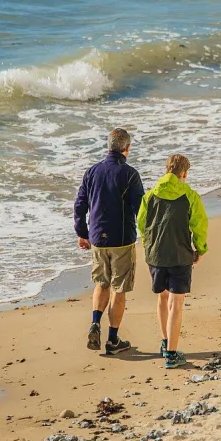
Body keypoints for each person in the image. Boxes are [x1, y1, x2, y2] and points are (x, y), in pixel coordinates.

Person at [74, 128, 145, 355]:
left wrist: (82, 232)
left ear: (109, 146)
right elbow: (140, 209)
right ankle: (113, 339)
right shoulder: (130, 174)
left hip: (97, 238)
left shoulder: (92, 172)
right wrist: (148, 234)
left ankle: (95, 322)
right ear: (127, 148)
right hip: (122, 239)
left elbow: (80, 205)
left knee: (101, 284)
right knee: (119, 288)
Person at [136, 154, 208, 369]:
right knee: (176, 304)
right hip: (180, 255)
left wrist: (150, 246)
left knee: (162, 298)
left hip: (156, 255)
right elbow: (199, 226)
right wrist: (200, 249)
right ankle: (172, 354)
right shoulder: (190, 196)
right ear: (184, 173)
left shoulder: (149, 196)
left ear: (167, 169)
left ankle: (165, 342)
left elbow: (141, 224)